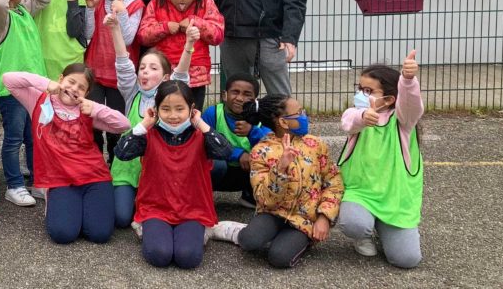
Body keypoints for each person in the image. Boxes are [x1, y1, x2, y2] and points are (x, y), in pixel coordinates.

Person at [210, 94, 343, 269]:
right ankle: (237, 231)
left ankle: (297, 238)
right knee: (249, 242)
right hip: (273, 212)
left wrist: (324, 217)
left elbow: (334, 182)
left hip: (305, 219)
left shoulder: (316, 145)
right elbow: (264, 199)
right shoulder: (261, 151)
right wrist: (280, 170)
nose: (304, 115)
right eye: (299, 113)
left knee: (279, 258)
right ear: (283, 122)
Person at [2, 66, 131, 245]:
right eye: (71, 82)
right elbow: (8, 79)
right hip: (60, 180)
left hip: (94, 177)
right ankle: (58, 205)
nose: (74, 89)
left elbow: (124, 124)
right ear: (61, 78)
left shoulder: (87, 110)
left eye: (81, 87)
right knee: (63, 234)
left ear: (86, 93)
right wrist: (47, 83)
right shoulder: (39, 100)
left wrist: (94, 107)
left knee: (100, 234)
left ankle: (80, 208)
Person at [114, 81, 235, 269]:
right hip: (156, 207)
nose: (173, 116)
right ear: (156, 110)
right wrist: (144, 124)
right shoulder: (149, 135)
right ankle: (149, 228)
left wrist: (200, 123)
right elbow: (122, 152)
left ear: (191, 109)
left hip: (192, 209)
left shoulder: (201, 136)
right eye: (165, 109)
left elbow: (225, 152)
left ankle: (206, 230)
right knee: (159, 255)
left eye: (180, 109)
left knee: (187, 258)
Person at [337, 51, 423, 269]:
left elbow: (412, 105)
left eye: (368, 91)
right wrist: (363, 117)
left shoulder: (403, 121)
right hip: (360, 192)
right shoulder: (358, 114)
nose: (361, 95)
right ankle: (364, 233)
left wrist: (408, 80)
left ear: (389, 99)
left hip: (395, 198)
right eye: (360, 89)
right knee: (353, 224)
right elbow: (348, 121)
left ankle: (383, 225)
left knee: (407, 260)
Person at [107, 14, 192, 229]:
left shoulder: (169, 97)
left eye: (153, 68)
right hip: (127, 169)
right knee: (121, 218)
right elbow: (123, 62)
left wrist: (189, 44)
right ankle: (125, 197)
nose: (145, 71)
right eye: (143, 68)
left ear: (165, 77)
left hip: (158, 172)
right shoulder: (131, 93)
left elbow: (181, 75)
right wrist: (116, 28)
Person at [0, 0, 49, 207]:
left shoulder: (24, 10)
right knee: (13, 138)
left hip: (34, 87)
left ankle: (36, 182)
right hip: (11, 90)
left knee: (33, 138)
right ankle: (14, 185)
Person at [82, 0, 145, 157]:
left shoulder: (136, 3)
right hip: (95, 71)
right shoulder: (99, 1)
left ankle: (116, 163)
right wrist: (90, 9)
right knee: (92, 120)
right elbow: (88, 34)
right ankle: (95, 162)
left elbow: (127, 39)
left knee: (117, 122)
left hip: (121, 76)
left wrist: (122, 12)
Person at [138, 0, 224, 105]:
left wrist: (195, 22)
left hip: (195, 75)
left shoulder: (206, 2)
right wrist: (164, 27)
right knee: (164, 115)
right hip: (163, 74)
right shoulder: (157, 3)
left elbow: (218, 35)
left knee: (192, 116)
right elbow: (143, 36)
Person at [201, 74, 268, 207]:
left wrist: (252, 131)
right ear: (225, 95)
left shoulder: (263, 116)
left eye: (247, 94)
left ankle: (251, 195)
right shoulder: (212, 113)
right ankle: (202, 196)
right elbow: (203, 144)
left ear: (255, 100)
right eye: (235, 92)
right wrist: (237, 154)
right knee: (216, 164)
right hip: (221, 171)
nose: (240, 98)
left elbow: (271, 148)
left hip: (248, 172)